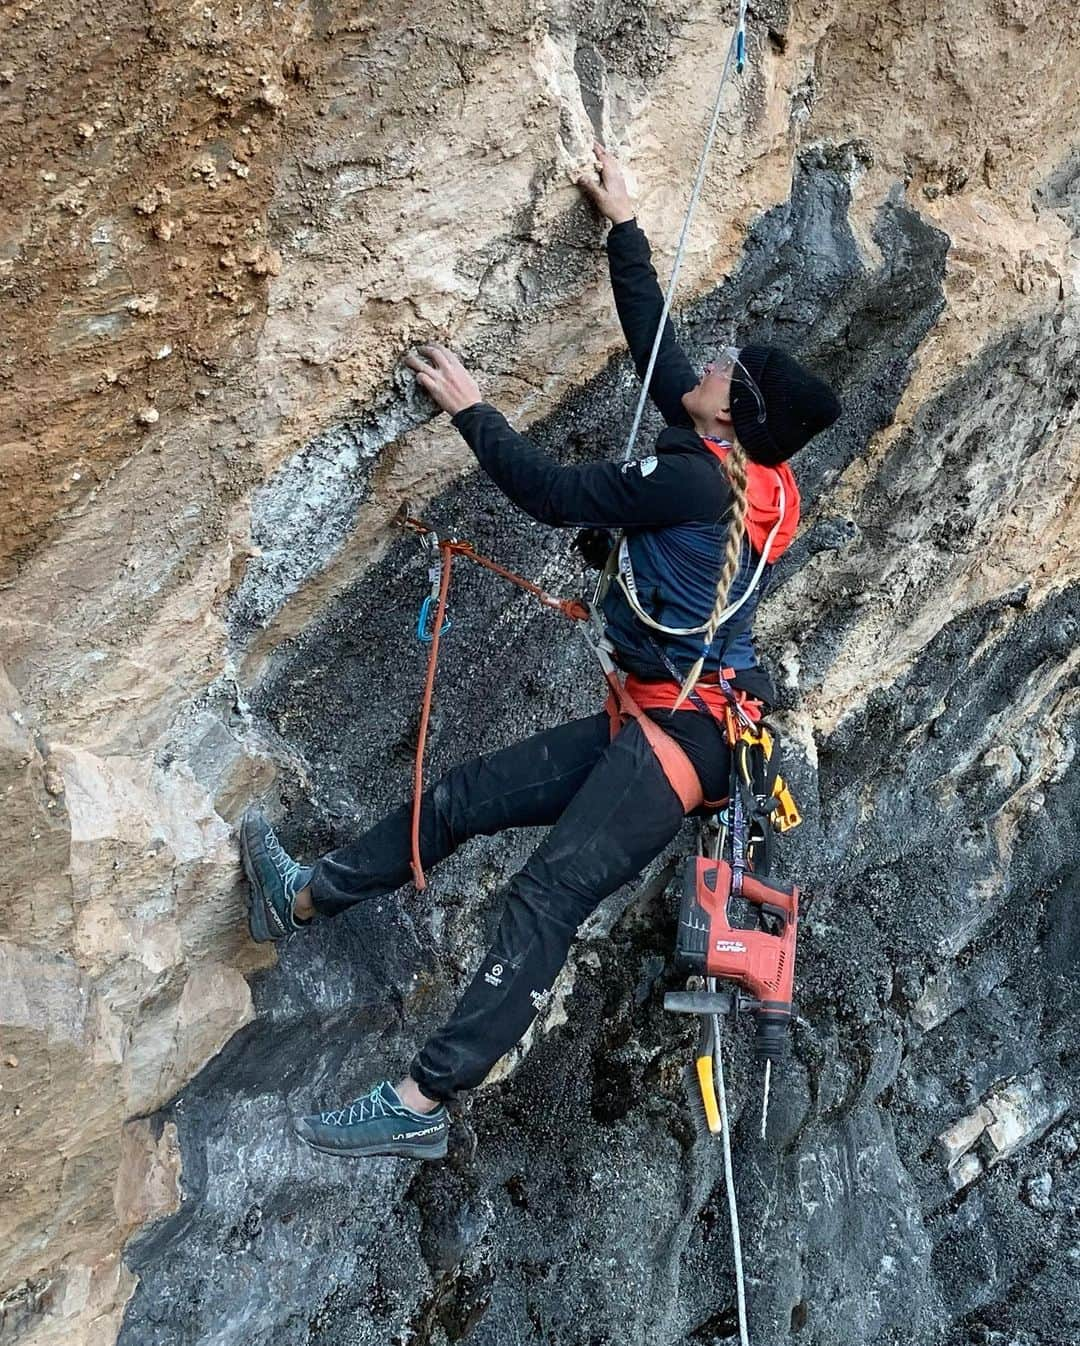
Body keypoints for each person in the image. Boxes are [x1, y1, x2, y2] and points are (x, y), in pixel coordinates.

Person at [240, 142, 841, 1160]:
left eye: (731, 371)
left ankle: (421, 1100)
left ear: (735, 416)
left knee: (546, 897)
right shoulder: (759, 478)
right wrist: (626, 225)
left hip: (678, 740)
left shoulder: (697, 481)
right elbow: (664, 358)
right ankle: (299, 895)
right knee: (469, 796)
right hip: (673, 722)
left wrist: (474, 410)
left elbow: (556, 497)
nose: (714, 363)